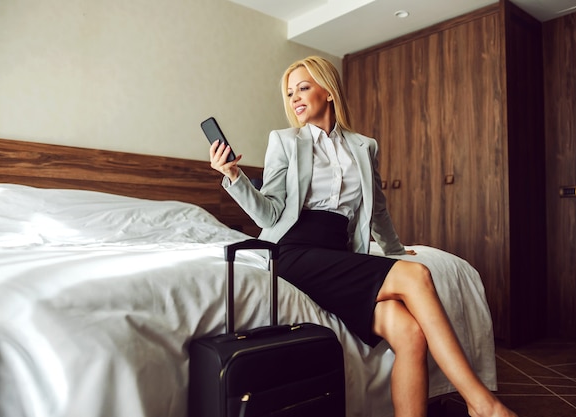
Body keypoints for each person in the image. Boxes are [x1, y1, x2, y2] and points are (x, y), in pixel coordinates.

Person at [209, 55, 517, 417]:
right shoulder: (285, 141)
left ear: (328, 91)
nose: (294, 98)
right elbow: (270, 212)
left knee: (410, 336)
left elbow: (378, 209)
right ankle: (482, 404)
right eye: (290, 93)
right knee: (416, 276)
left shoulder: (363, 146)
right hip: (294, 249)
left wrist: (396, 250)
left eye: (303, 88)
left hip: (340, 252)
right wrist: (234, 177)